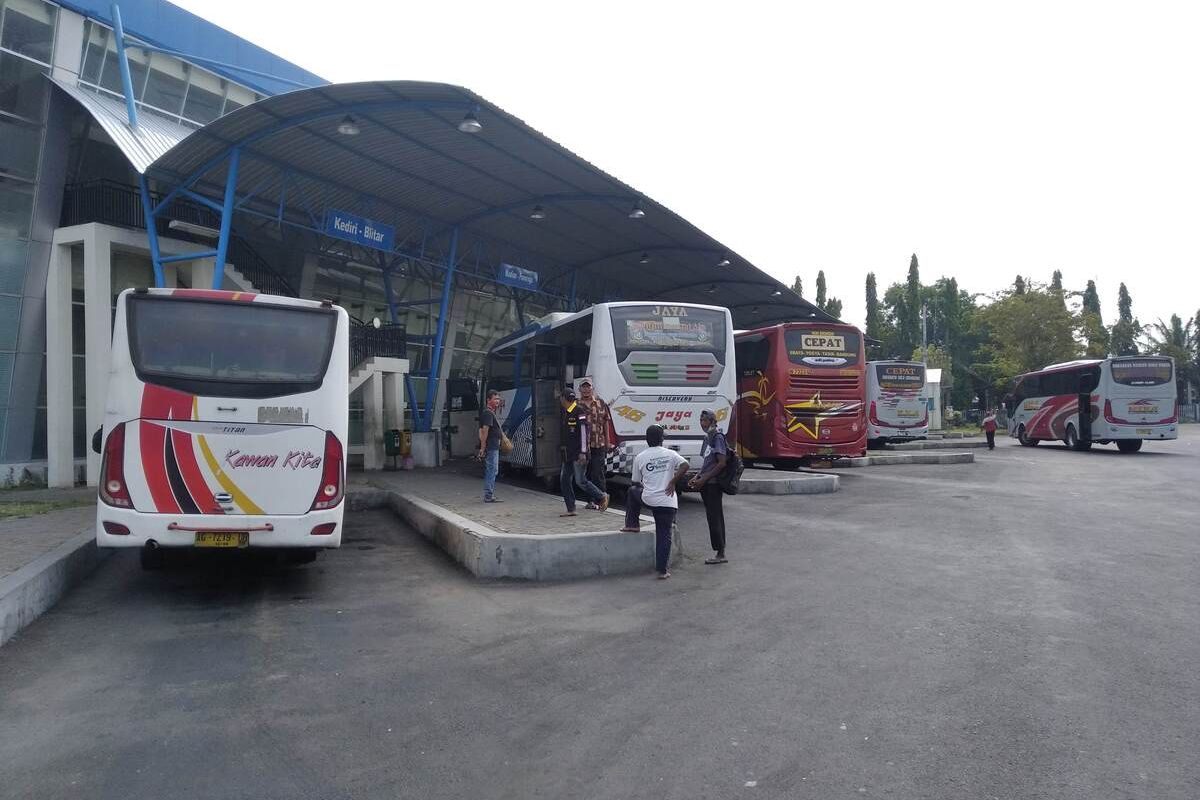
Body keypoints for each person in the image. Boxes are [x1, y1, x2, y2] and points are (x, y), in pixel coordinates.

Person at [621, 425, 690, 579]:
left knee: (632, 491)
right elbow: (685, 465)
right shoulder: (671, 454)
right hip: (668, 501)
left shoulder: (640, 457)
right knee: (664, 535)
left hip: (649, 499)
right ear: (662, 439)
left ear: (647, 440)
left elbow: (635, 482)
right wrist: (673, 481)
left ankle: (632, 525)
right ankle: (662, 571)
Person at [559, 385, 609, 516]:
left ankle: (602, 496)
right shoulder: (568, 412)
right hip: (569, 454)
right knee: (564, 480)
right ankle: (571, 509)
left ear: (564, 399)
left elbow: (583, 433)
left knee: (580, 481)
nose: (560, 401)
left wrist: (582, 452)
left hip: (578, 454)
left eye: (561, 398)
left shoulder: (579, 411)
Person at [688, 409, 728, 564]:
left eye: (704, 420)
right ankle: (719, 551)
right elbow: (707, 462)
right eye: (700, 419)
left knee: (715, 517)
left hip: (713, 485)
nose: (702, 423)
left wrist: (704, 479)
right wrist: (697, 476)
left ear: (712, 421)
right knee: (712, 517)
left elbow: (721, 463)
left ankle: (720, 553)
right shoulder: (708, 438)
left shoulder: (717, 437)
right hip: (706, 483)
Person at [578, 377, 613, 494]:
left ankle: (602, 497)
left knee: (598, 472)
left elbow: (605, 421)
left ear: (592, 389)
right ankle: (591, 501)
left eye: (588, 387)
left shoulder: (600, 403)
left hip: (599, 444)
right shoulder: (576, 405)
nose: (586, 389)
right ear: (579, 389)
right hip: (583, 446)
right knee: (586, 474)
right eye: (584, 387)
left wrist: (608, 441)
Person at [477, 390, 504, 503]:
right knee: (491, 470)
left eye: (498, 399)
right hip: (491, 446)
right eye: (495, 398)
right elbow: (484, 431)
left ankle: (489, 494)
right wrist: (483, 448)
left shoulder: (490, 412)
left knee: (493, 470)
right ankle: (488, 495)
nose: (497, 401)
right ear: (488, 400)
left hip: (493, 446)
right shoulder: (488, 413)